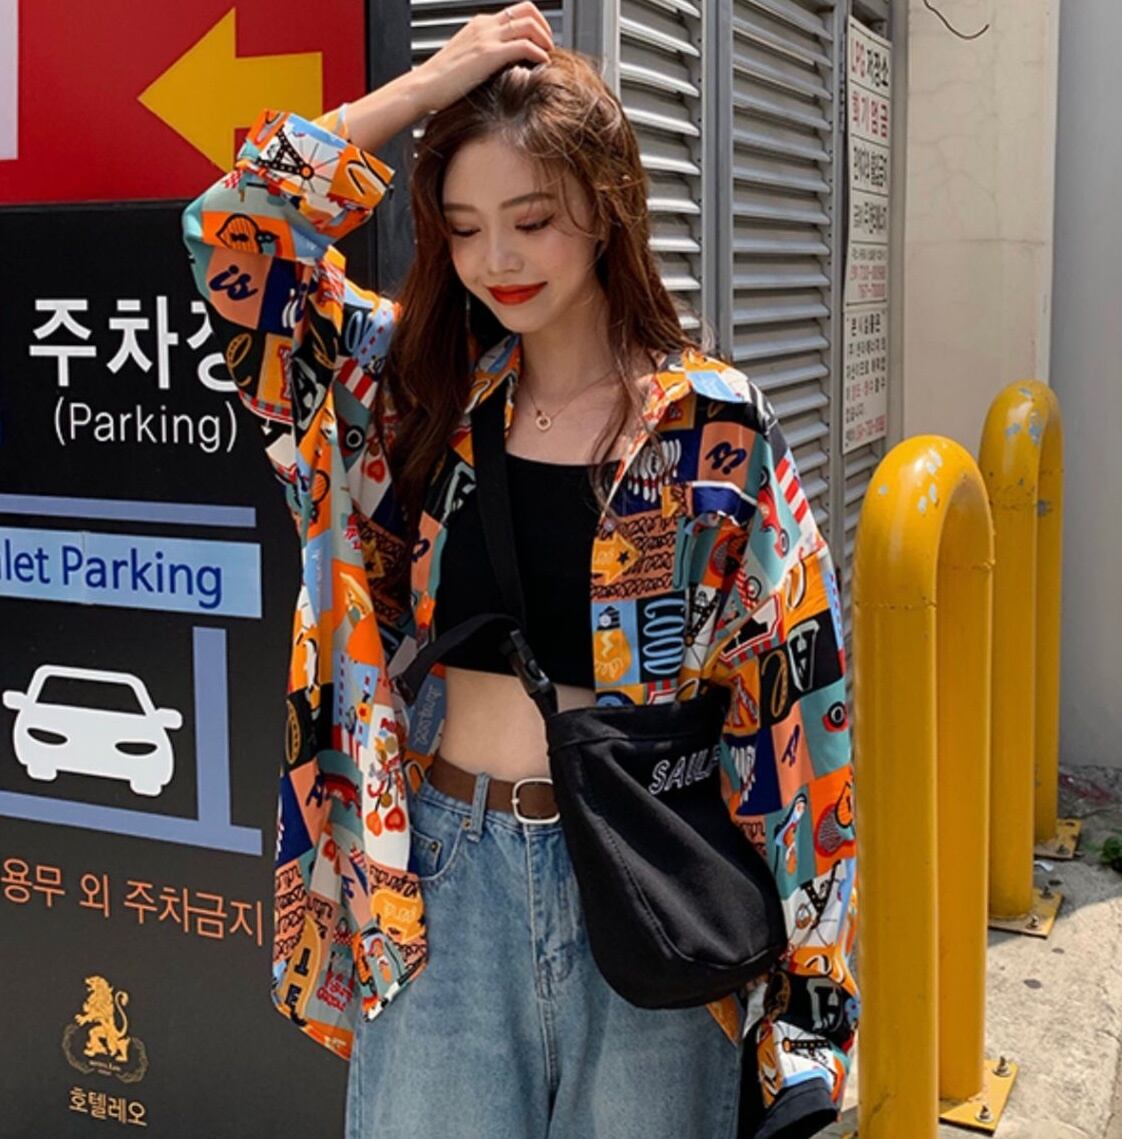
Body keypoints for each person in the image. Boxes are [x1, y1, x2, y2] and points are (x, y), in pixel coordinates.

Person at [181, 5, 858, 1137]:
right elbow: (233, 238)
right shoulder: (417, 396)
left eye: (532, 220)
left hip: (650, 880)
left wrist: (811, 1014)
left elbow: (798, 704)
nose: (497, 259)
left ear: (607, 206)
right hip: (441, 873)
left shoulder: (711, 428)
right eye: (463, 227)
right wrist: (427, 89)